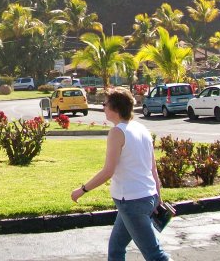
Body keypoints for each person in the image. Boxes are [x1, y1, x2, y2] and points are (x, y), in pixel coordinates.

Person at [71, 88, 170, 261]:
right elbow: (152, 168)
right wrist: (158, 198)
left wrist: (82, 190)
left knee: (155, 254)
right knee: (116, 248)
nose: (103, 108)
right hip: (146, 197)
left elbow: (108, 171)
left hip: (132, 202)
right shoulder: (141, 128)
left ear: (115, 108)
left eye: (105, 104)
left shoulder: (117, 133)